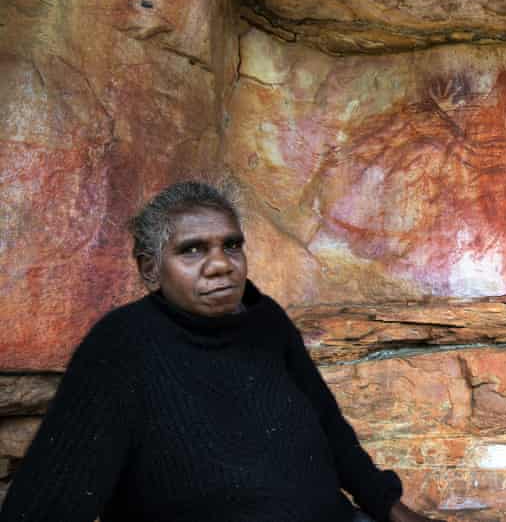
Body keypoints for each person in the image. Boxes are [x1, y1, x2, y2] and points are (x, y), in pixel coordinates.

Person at [0, 181, 440, 522]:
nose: (220, 264)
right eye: (192, 250)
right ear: (150, 269)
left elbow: (329, 427)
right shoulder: (121, 347)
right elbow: (48, 502)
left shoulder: (265, 321)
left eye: (231, 245)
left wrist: (388, 505)